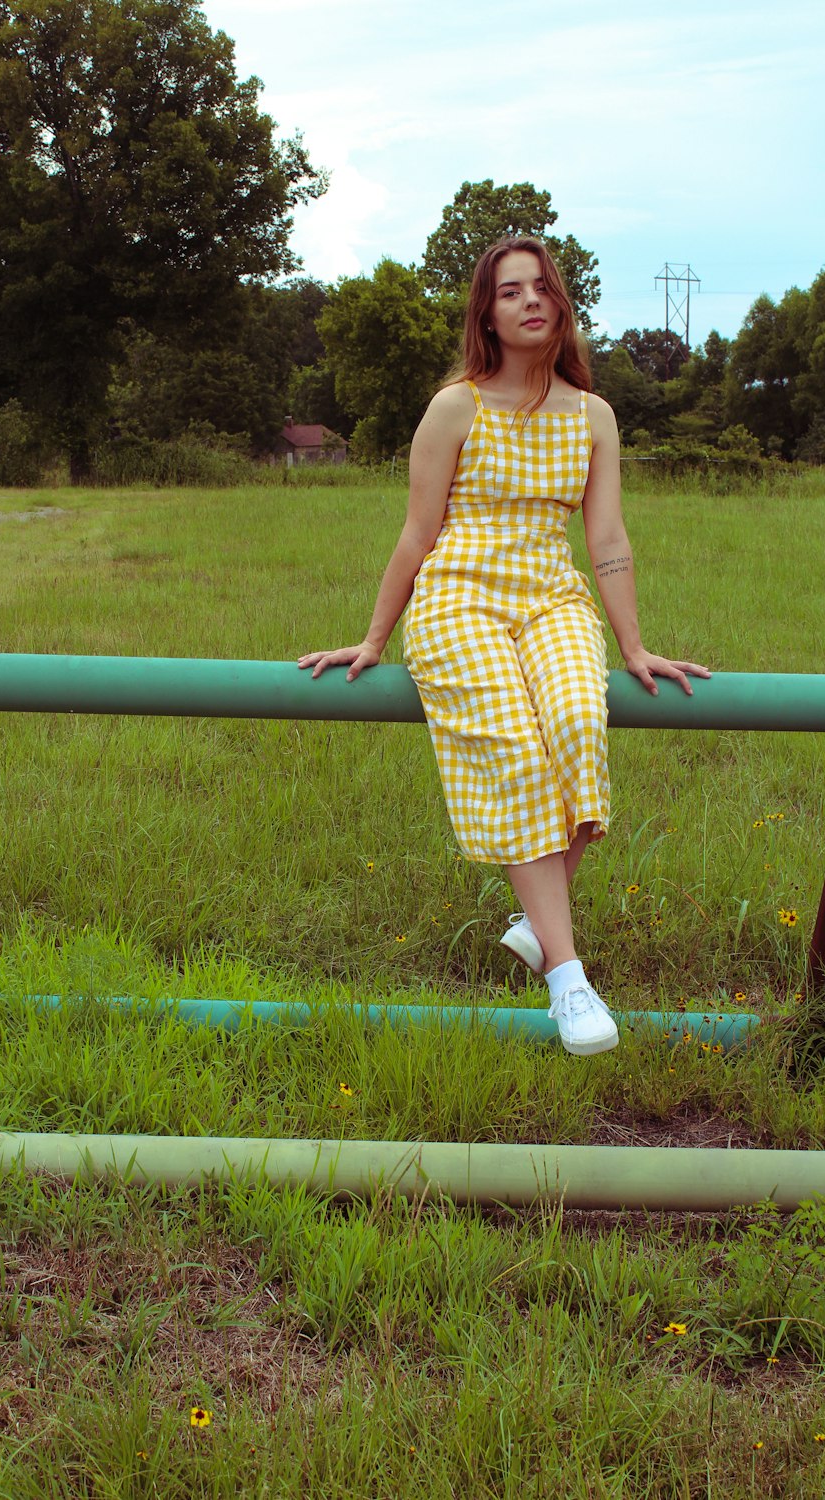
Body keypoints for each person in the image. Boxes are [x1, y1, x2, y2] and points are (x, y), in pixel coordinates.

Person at [298, 237, 710, 1056]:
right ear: (486, 312)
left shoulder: (593, 416)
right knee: (517, 755)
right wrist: (376, 637)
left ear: (560, 305)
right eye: (508, 291)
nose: (529, 301)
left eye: (541, 289)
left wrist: (634, 645)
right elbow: (417, 533)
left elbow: (608, 536)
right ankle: (568, 978)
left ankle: (535, 920)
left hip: (553, 599)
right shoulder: (457, 406)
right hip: (458, 600)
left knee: (576, 734)